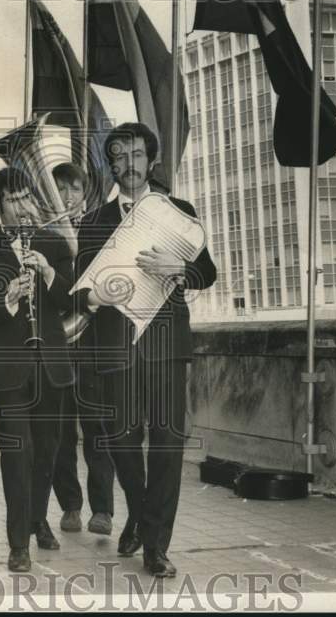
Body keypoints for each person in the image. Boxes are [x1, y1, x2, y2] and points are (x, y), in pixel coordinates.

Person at [75, 123, 217, 578]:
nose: (130, 164)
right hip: (117, 348)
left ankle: (155, 545)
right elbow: (80, 292)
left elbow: (207, 273)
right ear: (111, 165)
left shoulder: (178, 211)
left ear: (151, 160)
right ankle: (139, 513)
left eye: (138, 154)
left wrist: (181, 267)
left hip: (167, 346)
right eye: (120, 157)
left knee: (168, 447)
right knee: (120, 442)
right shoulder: (95, 221)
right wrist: (98, 297)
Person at [0, 168, 74, 572]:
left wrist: (48, 272)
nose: (24, 206)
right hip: (11, 369)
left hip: (52, 366)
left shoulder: (54, 243)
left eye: (28, 197)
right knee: (16, 454)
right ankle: (18, 543)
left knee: (46, 452)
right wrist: (8, 300)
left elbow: (73, 301)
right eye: (14, 199)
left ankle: (37, 519)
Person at [49, 163, 116, 537]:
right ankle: (71, 506)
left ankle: (102, 510)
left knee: (99, 430)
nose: (68, 197)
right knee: (60, 433)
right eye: (60, 189)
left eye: (75, 189)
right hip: (59, 343)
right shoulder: (42, 232)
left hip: (92, 342)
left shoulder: (98, 230)